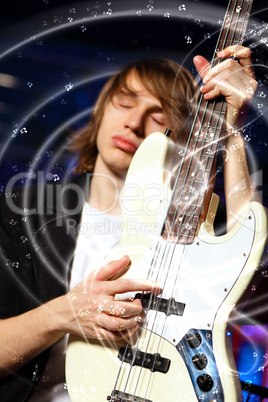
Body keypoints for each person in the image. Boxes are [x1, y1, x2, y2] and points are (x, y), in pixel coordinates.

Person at [0, 45, 259, 401]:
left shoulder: (191, 231)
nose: (133, 122)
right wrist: (62, 314)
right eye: (125, 101)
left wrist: (231, 126)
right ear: (101, 110)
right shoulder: (21, 213)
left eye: (158, 114)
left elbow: (253, 264)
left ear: (182, 134)